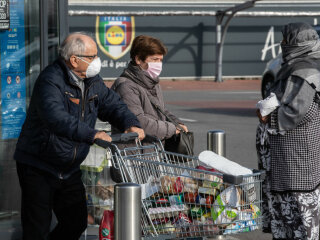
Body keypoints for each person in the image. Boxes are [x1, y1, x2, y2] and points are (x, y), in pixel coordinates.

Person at [14, 32, 145, 240]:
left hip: (69, 167)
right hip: (39, 165)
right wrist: (92, 134)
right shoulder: (50, 80)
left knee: (76, 222)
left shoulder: (92, 80)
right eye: (92, 56)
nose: (97, 61)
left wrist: (130, 124)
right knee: (36, 228)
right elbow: (56, 118)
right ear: (74, 60)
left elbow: (112, 104)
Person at [256, 22, 320, 240]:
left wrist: (268, 117)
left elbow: (297, 111)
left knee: (297, 218)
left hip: (295, 160)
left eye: (286, 40)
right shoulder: (299, 66)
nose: (282, 44)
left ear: (297, 43)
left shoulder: (303, 71)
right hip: (294, 158)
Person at [111, 35, 188, 146]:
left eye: (160, 60)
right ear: (138, 59)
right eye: (154, 59)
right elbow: (138, 122)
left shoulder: (153, 83)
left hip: (152, 152)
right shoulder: (126, 86)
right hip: (133, 154)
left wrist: (177, 123)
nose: (158, 64)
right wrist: (171, 129)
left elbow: (161, 110)